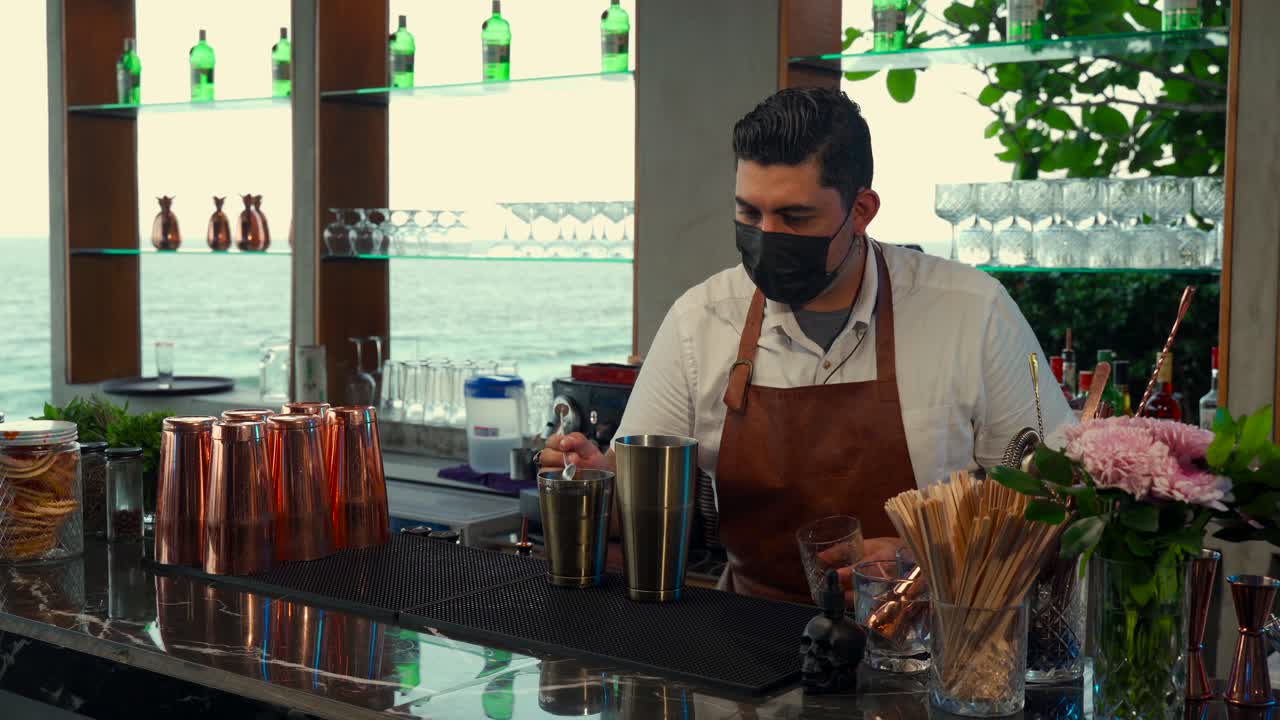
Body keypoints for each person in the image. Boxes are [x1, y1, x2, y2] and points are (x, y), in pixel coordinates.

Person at [540, 87, 1073, 603]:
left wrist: (931, 555)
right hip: (747, 644)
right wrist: (594, 480)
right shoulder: (700, 321)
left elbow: (1059, 500)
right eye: (750, 214)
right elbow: (634, 506)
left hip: (924, 643)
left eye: (795, 218)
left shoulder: (970, 312)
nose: (767, 236)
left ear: (861, 210)